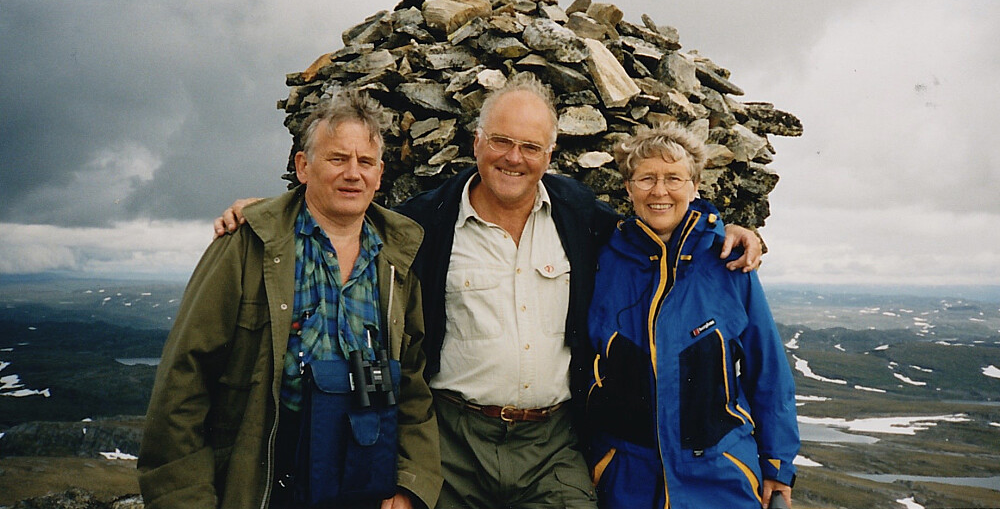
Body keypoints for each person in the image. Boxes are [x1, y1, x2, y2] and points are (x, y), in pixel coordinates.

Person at [215, 79, 762, 509]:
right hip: (453, 442)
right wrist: (271, 212)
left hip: (552, 444)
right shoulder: (425, 222)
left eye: (530, 146)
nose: (513, 158)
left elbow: (655, 228)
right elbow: (348, 215)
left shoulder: (579, 215)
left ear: (550, 153)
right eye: (501, 141)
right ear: (477, 142)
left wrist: (726, 229)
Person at [139, 88, 441, 509]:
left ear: (379, 173)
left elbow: (411, 385)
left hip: (367, 485)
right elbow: (183, 385)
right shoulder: (246, 247)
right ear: (303, 166)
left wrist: (409, 485)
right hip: (266, 488)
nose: (353, 173)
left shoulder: (397, 260)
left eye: (365, 161)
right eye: (337, 159)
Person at [585, 124, 798, 509]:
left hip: (720, 478)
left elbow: (767, 369)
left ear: (695, 186)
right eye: (646, 178)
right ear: (628, 188)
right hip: (626, 481)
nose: (660, 191)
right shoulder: (601, 261)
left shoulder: (728, 262)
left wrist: (777, 466)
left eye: (674, 178)